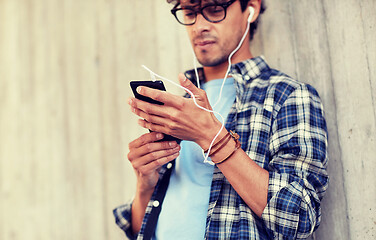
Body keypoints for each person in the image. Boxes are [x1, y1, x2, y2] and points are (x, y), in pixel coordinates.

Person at [114, 0, 329, 239]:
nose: (199, 26)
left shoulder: (286, 95)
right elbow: (139, 229)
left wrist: (211, 137)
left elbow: (299, 217)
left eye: (214, 9)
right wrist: (145, 183)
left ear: (251, 8)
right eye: (189, 12)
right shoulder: (182, 106)